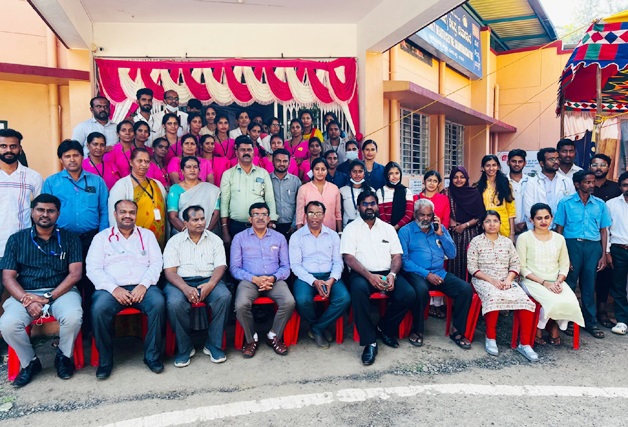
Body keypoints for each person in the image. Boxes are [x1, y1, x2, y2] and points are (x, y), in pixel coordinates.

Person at [0, 194, 83, 387]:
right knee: (8, 324)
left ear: (58, 214)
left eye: (50, 211)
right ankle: (30, 362)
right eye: (40, 210)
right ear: (32, 212)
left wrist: (49, 297)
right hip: (25, 292)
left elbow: (75, 274)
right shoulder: (17, 239)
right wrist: (26, 299)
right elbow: (8, 277)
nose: (45, 214)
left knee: (73, 316)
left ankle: (63, 356)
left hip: (61, 292)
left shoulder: (70, 238)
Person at [87, 199, 165, 379]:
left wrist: (143, 285)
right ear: (115, 214)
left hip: (143, 286)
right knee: (99, 310)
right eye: (123, 212)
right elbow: (93, 269)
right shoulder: (102, 238)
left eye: (131, 212)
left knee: (158, 304)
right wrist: (114, 289)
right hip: (110, 289)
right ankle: (105, 361)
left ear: (136, 215)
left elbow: (156, 263)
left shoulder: (147, 235)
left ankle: (152, 357)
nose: (127, 215)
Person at [340, 191, 413, 365]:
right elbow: (348, 258)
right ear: (358, 207)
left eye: (372, 203)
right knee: (358, 291)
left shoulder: (388, 228)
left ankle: (384, 328)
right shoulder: (351, 229)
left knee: (408, 294)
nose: (369, 207)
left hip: (387, 273)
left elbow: (397, 255)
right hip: (362, 274)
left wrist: (392, 275)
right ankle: (369, 342)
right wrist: (369, 276)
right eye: (364, 204)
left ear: (377, 206)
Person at [43, 139, 109, 333]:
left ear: (82, 156)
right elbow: (45, 212)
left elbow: (104, 210)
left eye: (75, 155)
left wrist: (101, 239)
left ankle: (91, 329)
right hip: (62, 241)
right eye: (67, 156)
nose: (72, 159)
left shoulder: (96, 181)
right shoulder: (52, 182)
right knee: (67, 284)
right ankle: (72, 328)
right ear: (61, 159)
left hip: (91, 240)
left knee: (92, 284)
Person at [399, 199, 473, 350]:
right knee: (420, 290)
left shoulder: (439, 229)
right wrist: (427, 274)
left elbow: (452, 254)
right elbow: (405, 261)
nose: (426, 218)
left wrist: (441, 235)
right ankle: (417, 330)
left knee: (465, 289)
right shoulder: (405, 231)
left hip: (439, 273)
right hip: (417, 273)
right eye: (422, 215)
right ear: (415, 215)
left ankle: (457, 330)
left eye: (429, 215)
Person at [163, 205, 231, 367]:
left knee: (224, 296)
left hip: (208, 279)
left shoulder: (214, 239)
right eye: (195, 220)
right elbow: (170, 272)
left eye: (202, 219)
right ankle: (185, 348)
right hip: (180, 282)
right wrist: (185, 288)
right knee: (174, 303)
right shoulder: (174, 241)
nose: (200, 223)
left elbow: (220, 266)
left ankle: (213, 345)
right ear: (185, 223)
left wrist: (211, 284)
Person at [467, 210, 538, 360]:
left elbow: (515, 264)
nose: (492, 224)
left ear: (500, 223)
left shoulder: (507, 242)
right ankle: (490, 337)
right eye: (488, 221)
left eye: (495, 221)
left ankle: (525, 344)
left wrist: (508, 280)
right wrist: (491, 281)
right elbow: (472, 267)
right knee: (494, 297)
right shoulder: (476, 242)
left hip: (506, 280)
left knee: (525, 301)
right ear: (482, 225)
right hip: (483, 280)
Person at [230, 203, 295, 358]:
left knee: (289, 302)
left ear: (269, 218)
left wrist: (273, 278)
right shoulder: (239, 238)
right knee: (241, 305)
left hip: (274, 280)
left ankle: (273, 335)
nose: (260, 218)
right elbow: (234, 268)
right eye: (256, 214)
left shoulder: (279, 238)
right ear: (250, 219)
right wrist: (254, 279)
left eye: (264, 214)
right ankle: (251, 339)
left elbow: (286, 267)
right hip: (249, 280)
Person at [516, 203, 585, 346]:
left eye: (547, 217)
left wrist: (559, 281)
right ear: (531, 220)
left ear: (552, 218)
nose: (543, 221)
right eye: (539, 218)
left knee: (570, 301)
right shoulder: (524, 238)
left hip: (555, 280)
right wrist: (544, 283)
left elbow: (564, 265)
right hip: (532, 281)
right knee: (552, 301)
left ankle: (553, 324)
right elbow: (522, 268)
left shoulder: (559, 238)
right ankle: (539, 327)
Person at [554, 170, 611, 339]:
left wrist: (603, 254)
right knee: (569, 284)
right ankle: (567, 321)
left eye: (593, 182)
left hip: (593, 246)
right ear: (577, 184)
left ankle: (590, 323)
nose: (592, 185)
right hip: (572, 245)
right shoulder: (566, 203)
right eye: (588, 182)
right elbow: (559, 229)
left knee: (589, 285)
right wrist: (561, 254)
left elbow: (604, 231)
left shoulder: (600, 204)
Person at [290, 201, 350, 348]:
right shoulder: (297, 237)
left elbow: (338, 262)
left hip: (329, 275)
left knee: (344, 299)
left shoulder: (333, 235)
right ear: (305, 215)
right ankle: (317, 326)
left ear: (324, 215)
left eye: (318, 213)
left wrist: (331, 280)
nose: (315, 217)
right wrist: (314, 281)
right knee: (302, 300)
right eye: (311, 213)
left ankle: (317, 328)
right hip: (306, 276)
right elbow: (295, 266)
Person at [0, 128, 43, 297]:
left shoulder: (33, 177)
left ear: (20, 148)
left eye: (13, 146)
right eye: (3, 146)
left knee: (21, 297)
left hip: (22, 247)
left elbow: (42, 211)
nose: (8, 150)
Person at [220, 136, 277, 244]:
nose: (246, 152)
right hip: (236, 226)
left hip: (260, 225)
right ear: (236, 153)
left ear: (253, 152)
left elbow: (270, 199)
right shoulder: (228, 174)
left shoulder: (263, 173)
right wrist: (224, 229)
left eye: (249, 150)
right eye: (243, 150)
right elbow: (224, 202)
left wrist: (271, 223)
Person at [108, 148, 168, 248]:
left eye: (147, 161)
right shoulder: (121, 186)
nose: (144, 165)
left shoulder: (157, 184)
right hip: (132, 241)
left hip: (158, 240)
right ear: (131, 162)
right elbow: (113, 217)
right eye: (140, 161)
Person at [590, 153, 622, 328]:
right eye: (595, 164)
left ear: (608, 168)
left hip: (608, 238)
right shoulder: (585, 185)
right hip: (588, 236)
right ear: (590, 167)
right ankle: (585, 311)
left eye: (603, 165)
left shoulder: (616, 188)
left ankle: (602, 311)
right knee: (586, 276)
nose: (599, 168)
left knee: (605, 276)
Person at [442, 166, 485, 280]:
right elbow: (441, 210)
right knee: (452, 261)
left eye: (462, 177)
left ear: (466, 178)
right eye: (455, 177)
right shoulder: (446, 192)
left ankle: (469, 288)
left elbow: (479, 215)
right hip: (451, 233)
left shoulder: (474, 193)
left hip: (470, 234)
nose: (459, 180)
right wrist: (451, 221)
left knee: (470, 262)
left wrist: (465, 225)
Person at [420, 170, 451, 318]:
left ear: (438, 184)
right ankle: (426, 304)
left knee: (439, 267)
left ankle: (437, 305)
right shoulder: (417, 198)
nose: (431, 183)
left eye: (435, 181)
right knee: (424, 267)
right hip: (421, 239)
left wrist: (440, 234)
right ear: (424, 182)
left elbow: (445, 220)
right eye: (429, 180)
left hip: (438, 238)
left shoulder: (443, 199)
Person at [522, 147, 575, 230]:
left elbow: (571, 206)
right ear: (541, 163)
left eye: (557, 159)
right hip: (539, 228)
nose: (556, 162)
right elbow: (528, 209)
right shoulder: (532, 182)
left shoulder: (567, 181)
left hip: (562, 228)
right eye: (552, 159)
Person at [167, 156, 220, 233]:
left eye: (195, 167)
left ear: (199, 171)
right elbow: (172, 216)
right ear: (182, 171)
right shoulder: (175, 189)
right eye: (188, 167)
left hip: (207, 232)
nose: (192, 170)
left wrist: (205, 233)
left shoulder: (211, 189)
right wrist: (188, 233)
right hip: (182, 233)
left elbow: (215, 214)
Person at [606, 172, 628, 335]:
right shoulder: (611, 204)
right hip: (618, 250)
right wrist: (607, 251)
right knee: (618, 287)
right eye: (625, 185)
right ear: (620, 187)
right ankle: (622, 321)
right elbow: (605, 230)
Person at [295, 158, 342, 232]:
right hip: (308, 233)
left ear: (327, 171)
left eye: (323, 169)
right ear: (312, 171)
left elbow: (338, 214)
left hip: (330, 232)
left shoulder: (334, 189)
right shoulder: (303, 189)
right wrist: (299, 234)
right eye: (317, 169)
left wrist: (340, 232)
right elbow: (299, 214)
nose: (320, 172)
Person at [477, 155, 516, 241]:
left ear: (498, 167)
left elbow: (511, 211)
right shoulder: (478, 186)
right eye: (488, 165)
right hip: (486, 227)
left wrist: (512, 233)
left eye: (494, 165)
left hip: (504, 227)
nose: (491, 168)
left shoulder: (506, 185)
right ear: (483, 168)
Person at [270, 148, 301, 238]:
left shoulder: (295, 181)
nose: (282, 164)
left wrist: (294, 225)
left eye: (285, 161)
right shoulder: (267, 179)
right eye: (278, 161)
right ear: (273, 162)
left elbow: (300, 205)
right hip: (272, 226)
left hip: (291, 226)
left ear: (289, 163)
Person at [377, 162, 414, 231]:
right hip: (385, 230)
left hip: (403, 231)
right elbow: (381, 214)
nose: (394, 176)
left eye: (397, 173)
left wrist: (395, 228)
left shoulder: (407, 191)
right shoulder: (380, 191)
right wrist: (389, 229)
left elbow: (409, 215)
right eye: (391, 173)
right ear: (386, 175)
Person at [339, 160, 374, 227]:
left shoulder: (371, 190)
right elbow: (339, 213)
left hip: (365, 226)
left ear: (364, 173)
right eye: (354, 171)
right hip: (348, 227)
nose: (357, 174)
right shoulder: (342, 191)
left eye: (360, 171)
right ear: (350, 174)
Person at [506, 149, 529, 237]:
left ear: (525, 163)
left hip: (528, 229)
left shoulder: (531, 182)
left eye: (520, 161)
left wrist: (527, 223)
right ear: (508, 162)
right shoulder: (502, 182)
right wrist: (512, 226)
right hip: (506, 229)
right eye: (513, 161)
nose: (517, 164)